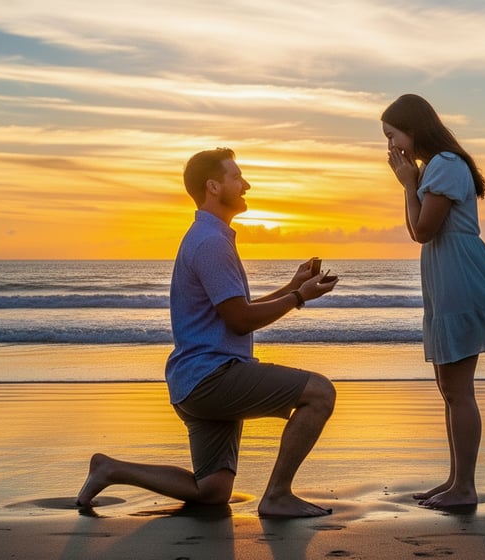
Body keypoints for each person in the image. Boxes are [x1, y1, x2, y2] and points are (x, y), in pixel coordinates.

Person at [77, 147, 338, 518]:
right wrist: (298, 297)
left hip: (193, 381)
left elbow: (234, 309)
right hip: (213, 376)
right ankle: (278, 495)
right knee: (320, 393)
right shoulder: (211, 242)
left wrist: (291, 286)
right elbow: (239, 320)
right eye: (237, 177)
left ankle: (110, 468)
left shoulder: (207, 237)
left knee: (212, 490)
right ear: (214, 187)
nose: (246, 184)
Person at [381, 94, 485, 509]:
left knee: (458, 388)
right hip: (448, 272)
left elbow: (423, 230)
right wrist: (411, 184)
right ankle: (454, 480)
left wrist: (408, 184)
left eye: (393, 136)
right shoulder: (436, 167)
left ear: (413, 129)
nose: (392, 147)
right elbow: (418, 229)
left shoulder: (445, 165)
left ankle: (465, 487)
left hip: (459, 273)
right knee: (449, 387)